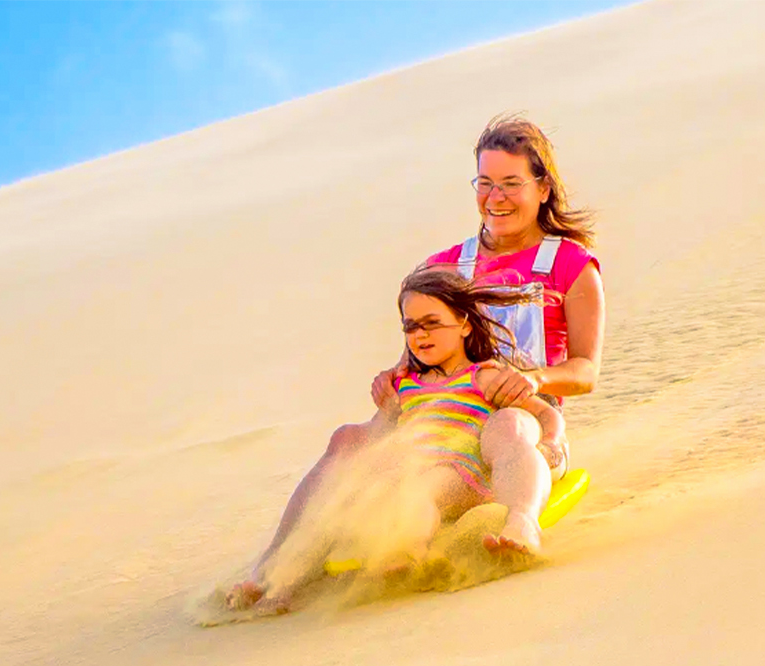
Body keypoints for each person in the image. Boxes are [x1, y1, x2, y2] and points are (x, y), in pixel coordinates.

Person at [242, 114, 605, 586]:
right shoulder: (445, 265)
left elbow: (584, 372)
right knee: (347, 440)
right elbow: (416, 356)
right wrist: (390, 378)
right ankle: (279, 562)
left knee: (509, 422)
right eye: (485, 182)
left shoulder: (570, 265)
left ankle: (523, 524)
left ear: (542, 187)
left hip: (514, 426)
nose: (495, 198)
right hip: (442, 421)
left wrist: (533, 380)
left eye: (511, 183)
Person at [229, 268, 564, 612]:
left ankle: (517, 526)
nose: (420, 335)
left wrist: (552, 442)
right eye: (411, 326)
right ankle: (281, 570)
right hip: (407, 469)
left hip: (459, 472)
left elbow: (544, 414)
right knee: (348, 442)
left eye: (432, 323)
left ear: (464, 324)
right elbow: (372, 437)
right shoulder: (405, 385)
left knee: (421, 489)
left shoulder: (485, 375)